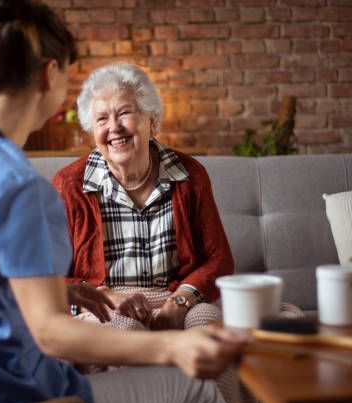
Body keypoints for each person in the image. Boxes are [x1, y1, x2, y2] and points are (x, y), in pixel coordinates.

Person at [0, 1, 242, 403]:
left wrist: (72, 291)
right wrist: (172, 349)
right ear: (50, 72)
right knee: (196, 387)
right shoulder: (19, 186)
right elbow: (50, 333)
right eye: (69, 75)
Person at [52, 62, 233, 334]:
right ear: (92, 131)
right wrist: (106, 297)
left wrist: (178, 303)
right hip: (105, 304)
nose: (114, 128)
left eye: (125, 113)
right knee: (125, 329)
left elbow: (218, 259)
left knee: (207, 326)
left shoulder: (190, 175)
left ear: (151, 120)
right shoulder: (70, 185)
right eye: (102, 119)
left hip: (177, 297)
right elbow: (48, 276)